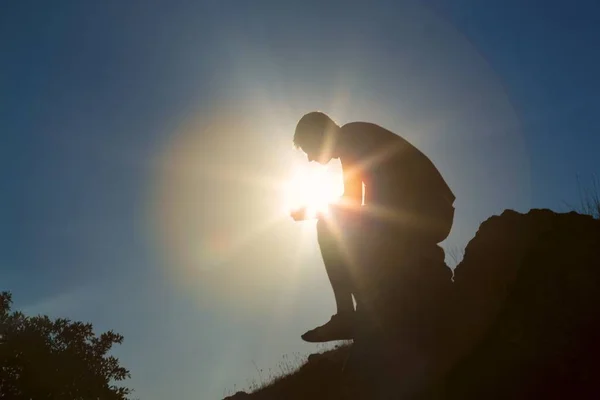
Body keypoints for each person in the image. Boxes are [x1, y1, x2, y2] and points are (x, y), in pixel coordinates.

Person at [292, 111, 455, 343]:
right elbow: (354, 203)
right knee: (349, 230)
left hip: (425, 210)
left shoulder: (350, 136)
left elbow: (351, 202)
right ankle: (369, 310)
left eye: (308, 148)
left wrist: (310, 212)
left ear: (319, 134)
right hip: (430, 212)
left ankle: (350, 314)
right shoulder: (354, 136)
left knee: (329, 227)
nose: (309, 158)